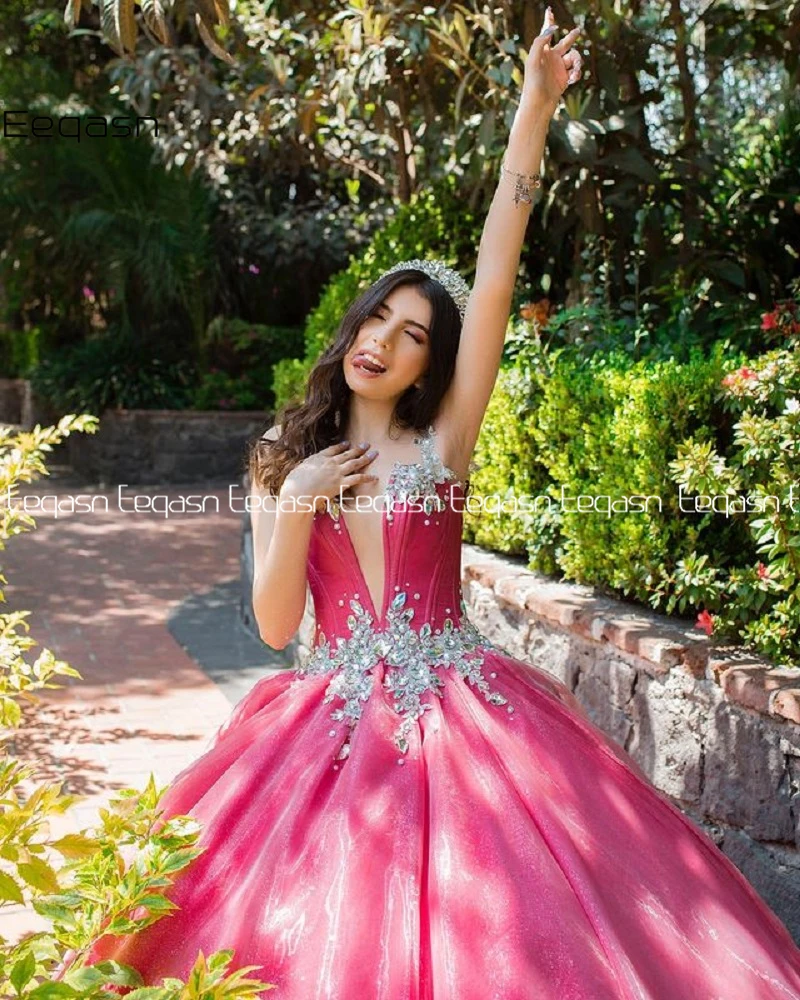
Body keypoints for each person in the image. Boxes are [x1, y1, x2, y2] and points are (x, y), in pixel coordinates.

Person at [55, 8, 800, 998]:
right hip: (324, 728)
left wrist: (532, 110)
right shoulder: (283, 455)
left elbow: (495, 267)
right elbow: (279, 626)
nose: (382, 340)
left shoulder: (439, 441)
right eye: (378, 317)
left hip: (471, 721)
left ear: (429, 365)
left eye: (412, 335)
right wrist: (304, 496)